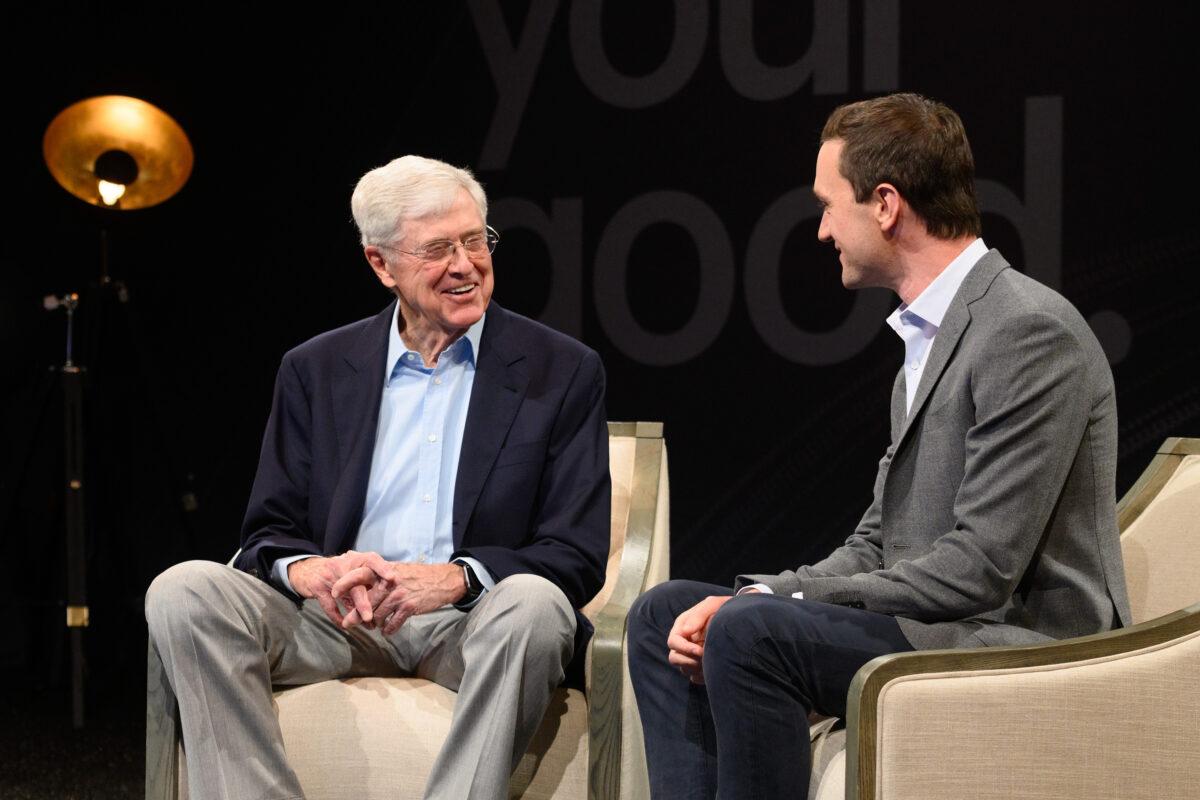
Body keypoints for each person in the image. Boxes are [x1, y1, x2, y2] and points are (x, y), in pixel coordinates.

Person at [627, 92, 1131, 799]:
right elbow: (877, 540)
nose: (822, 230)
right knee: (662, 616)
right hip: (934, 626)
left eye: (829, 205)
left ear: (886, 205)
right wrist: (775, 591)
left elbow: (980, 568)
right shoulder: (927, 338)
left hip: (1020, 643)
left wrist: (781, 598)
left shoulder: (1026, 331)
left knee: (749, 634)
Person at [145, 155, 611, 800]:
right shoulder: (315, 368)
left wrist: (453, 580)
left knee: (534, 605)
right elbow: (268, 531)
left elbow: (575, 554)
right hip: (334, 620)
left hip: (470, 623)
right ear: (380, 264)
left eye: (476, 241)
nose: (465, 265)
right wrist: (312, 571)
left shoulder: (561, 369)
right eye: (438, 249)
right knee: (183, 589)